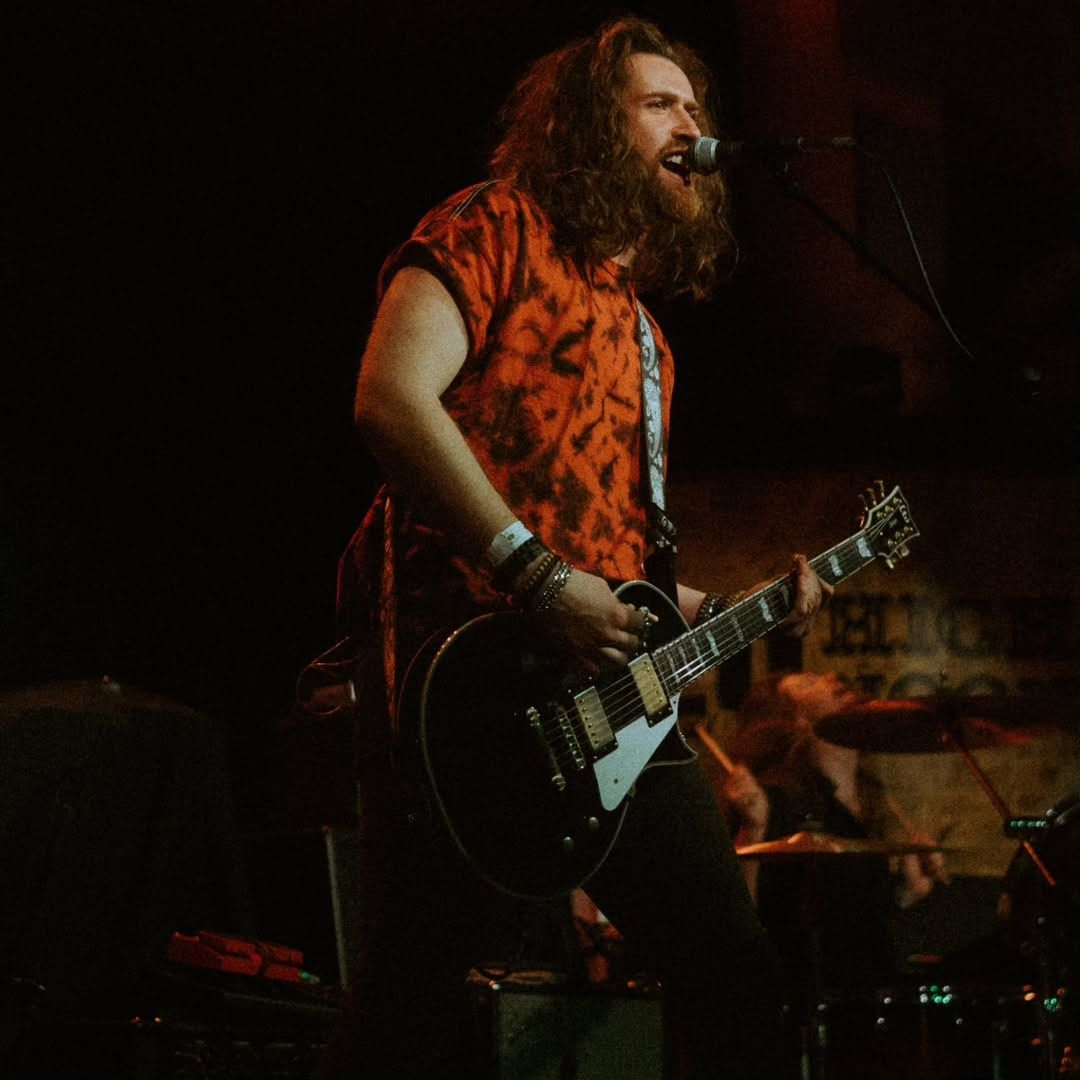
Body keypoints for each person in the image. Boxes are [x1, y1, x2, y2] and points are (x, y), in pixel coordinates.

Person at [320, 17, 833, 1079]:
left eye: (696, 105)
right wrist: (540, 580)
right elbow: (390, 397)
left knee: (736, 977)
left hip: (605, 709)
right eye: (660, 104)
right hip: (459, 683)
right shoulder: (493, 225)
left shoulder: (648, 339)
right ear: (595, 128)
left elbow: (621, 565)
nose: (691, 123)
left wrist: (725, 607)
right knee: (410, 1003)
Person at [720, 672, 948, 1001]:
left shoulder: (871, 802)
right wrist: (752, 830)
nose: (832, 676)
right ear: (794, 719)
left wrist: (905, 894)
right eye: (808, 683)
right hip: (799, 1003)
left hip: (868, 1000)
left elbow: (851, 926)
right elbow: (738, 925)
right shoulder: (773, 800)